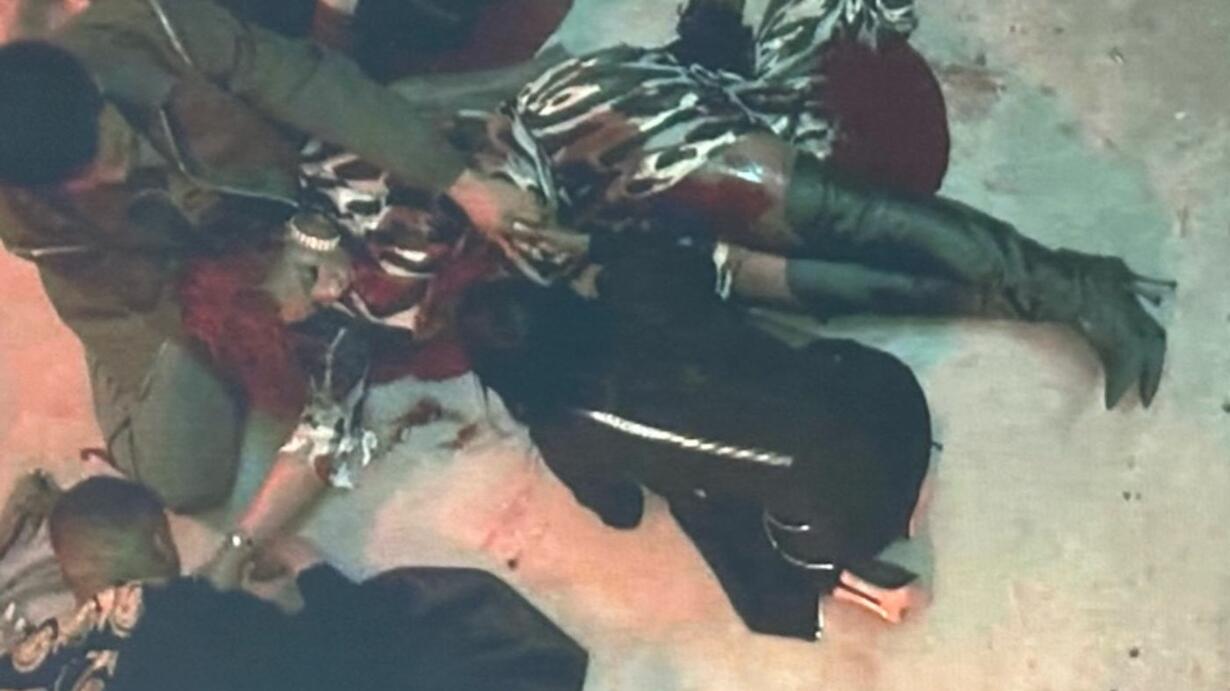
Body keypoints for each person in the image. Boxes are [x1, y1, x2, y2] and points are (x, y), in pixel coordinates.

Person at [456, 0, 1172, 410]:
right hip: (611, 226)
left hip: (601, 128)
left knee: (826, 210)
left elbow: (459, 107)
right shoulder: (515, 272)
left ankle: (1071, 283)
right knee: (818, 286)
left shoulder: (516, 145)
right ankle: (1054, 295)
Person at [0, 0, 553, 511]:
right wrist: (263, 289)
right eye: (79, 180)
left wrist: (459, 182)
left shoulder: (153, 27)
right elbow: (158, 293)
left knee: (442, 169)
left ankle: (426, 114)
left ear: (94, 88)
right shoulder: (22, 215)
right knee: (184, 483)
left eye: (106, 145)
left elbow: (307, 84)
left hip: (289, 185)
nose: (111, 173)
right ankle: (126, 377)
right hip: (151, 289)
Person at [455, 238, 935, 640]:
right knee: (789, 381)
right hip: (891, 397)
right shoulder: (638, 291)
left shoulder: (564, 431)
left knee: (708, 511)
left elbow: (623, 513)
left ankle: (875, 586)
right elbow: (687, 258)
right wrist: (598, 251)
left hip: (851, 511)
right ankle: (913, 481)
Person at [0, 474, 590, 691]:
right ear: (161, 542)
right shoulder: (184, 617)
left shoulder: (28, 658)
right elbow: (341, 662)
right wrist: (313, 571)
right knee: (423, 616)